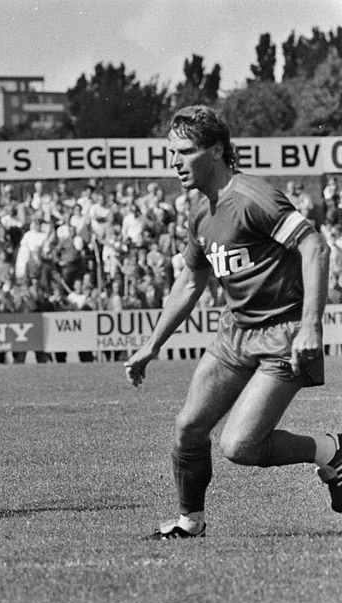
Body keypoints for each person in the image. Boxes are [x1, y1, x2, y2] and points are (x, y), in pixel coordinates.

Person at [124, 105, 333, 539]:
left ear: (216, 150)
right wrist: (152, 344)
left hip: (284, 334)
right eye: (171, 153)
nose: (174, 162)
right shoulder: (200, 211)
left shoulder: (254, 197)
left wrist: (312, 326)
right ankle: (189, 521)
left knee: (239, 446)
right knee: (188, 428)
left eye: (183, 152)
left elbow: (316, 247)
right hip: (234, 333)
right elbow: (190, 282)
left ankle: (330, 449)